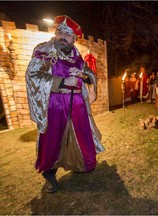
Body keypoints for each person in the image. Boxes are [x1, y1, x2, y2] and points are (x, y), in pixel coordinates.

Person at [25, 15, 104, 193]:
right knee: (52, 140)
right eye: (60, 31)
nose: (62, 36)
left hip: (77, 106)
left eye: (67, 35)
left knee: (81, 136)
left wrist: (82, 75)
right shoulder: (44, 50)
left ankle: (80, 163)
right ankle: (49, 173)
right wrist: (61, 82)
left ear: (74, 39)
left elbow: (90, 74)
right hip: (54, 105)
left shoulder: (76, 54)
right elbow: (33, 75)